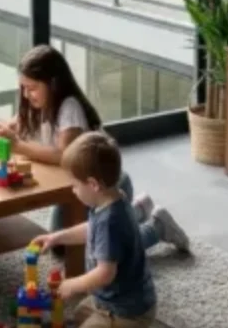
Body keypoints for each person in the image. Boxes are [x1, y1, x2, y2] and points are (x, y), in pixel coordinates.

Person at [0, 45, 189, 253]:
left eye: (32, 88)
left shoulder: (68, 108)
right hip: (79, 186)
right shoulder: (36, 105)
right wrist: (0, 130)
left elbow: (64, 155)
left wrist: (18, 146)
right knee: (62, 245)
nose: (27, 94)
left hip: (104, 186)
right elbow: (17, 124)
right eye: (23, 88)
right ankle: (135, 211)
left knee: (97, 251)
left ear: (53, 83)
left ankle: (157, 227)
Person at [33, 132, 157, 328]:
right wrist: (57, 237)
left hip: (126, 312)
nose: (73, 191)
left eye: (75, 185)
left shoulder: (110, 221)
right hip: (108, 300)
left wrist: (73, 284)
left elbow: (105, 273)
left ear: (93, 185)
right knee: (78, 314)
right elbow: (92, 229)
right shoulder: (113, 198)